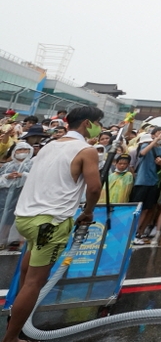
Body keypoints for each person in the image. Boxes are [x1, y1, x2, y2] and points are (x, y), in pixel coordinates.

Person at [2, 106, 102, 342]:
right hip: (52, 222)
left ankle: (13, 322)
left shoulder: (50, 145)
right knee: (35, 283)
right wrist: (87, 212)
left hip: (26, 217)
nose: (100, 127)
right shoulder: (86, 150)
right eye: (98, 122)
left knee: (27, 276)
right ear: (87, 123)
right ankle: (11, 337)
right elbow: (95, 187)